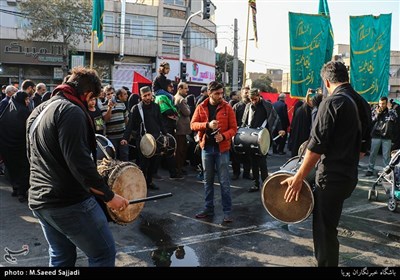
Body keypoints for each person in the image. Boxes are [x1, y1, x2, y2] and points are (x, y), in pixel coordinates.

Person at [26, 67, 129, 267]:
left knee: (61, 258)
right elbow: (80, 165)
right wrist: (109, 196)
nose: (94, 104)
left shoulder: (39, 110)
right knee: (103, 253)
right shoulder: (71, 111)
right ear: (88, 94)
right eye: (94, 99)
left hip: (40, 200)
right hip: (68, 202)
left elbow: (31, 156)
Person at [281, 61, 372, 267]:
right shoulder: (362, 103)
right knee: (329, 226)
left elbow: (315, 147)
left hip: (331, 178)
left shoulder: (332, 103)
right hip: (349, 176)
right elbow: (362, 149)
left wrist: (298, 177)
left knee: (324, 231)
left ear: (327, 81)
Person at [191, 81, 237, 223]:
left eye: (221, 93)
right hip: (207, 149)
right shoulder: (201, 107)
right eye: (217, 93)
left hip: (222, 149)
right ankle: (208, 209)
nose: (220, 96)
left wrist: (223, 136)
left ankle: (227, 212)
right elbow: (192, 125)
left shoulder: (227, 107)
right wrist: (207, 125)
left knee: (224, 182)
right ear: (210, 93)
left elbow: (234, 128)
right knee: (208, 181)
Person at [365, 96, 398, 176]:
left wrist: (390, 109)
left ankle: (386, 172)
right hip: (376, 135)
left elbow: (395, 118)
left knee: (386, 156)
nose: (381, 105)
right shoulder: (375, 110)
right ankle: (370, 169)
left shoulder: (390, 111)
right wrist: (377, 114)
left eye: (383, 104)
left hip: (387, 136)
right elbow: (371, 120)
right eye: (380, 103)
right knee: (373, 153)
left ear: (386, 103)